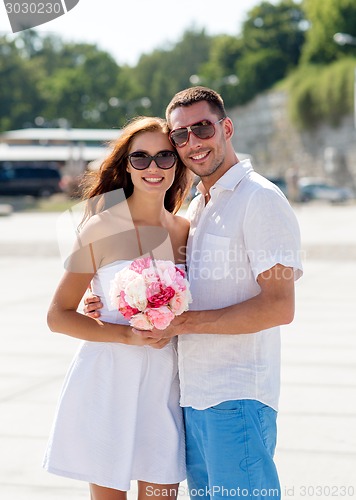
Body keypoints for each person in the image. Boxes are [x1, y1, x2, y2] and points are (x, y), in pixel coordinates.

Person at [84, 87, 303, 499]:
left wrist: (178, 323)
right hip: (192, 399)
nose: (192, 142)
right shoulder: (196, 211)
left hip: (236, 399)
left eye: (202, 128)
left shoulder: (260, 200)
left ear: (227, 127)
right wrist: (108, 302)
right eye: (179, 136)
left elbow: (279, 307)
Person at [42, 116, 193, 500]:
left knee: (162, 494)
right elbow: (58, 315)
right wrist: (124, 332)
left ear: (177, 163)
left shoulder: (184, 231)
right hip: (108, 381)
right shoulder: (99, 228)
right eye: (140, 158)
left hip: (165, 385)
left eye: (164, 157)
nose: (153, 167)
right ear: (126, 165)